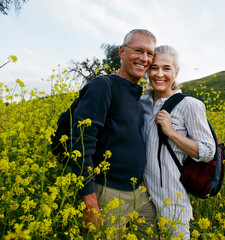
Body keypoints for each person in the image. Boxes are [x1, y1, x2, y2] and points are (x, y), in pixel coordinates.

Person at [69, 29, 158, 238]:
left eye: (149, 53)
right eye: (138, 50)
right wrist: (90, 201)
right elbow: (81, 143)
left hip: (140, 193)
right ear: (122, 51)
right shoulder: (104, 86)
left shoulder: (140, 96)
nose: (144, 59)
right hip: (107, 193)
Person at [141, 45, 215, 239]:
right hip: (142, 197)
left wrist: (171, 132)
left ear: (176, 72)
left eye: (166, 68)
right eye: (154, 68)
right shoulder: (142, 103)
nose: (159, 74)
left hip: (173, 199)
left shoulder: (189, 105)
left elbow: (208, 151)